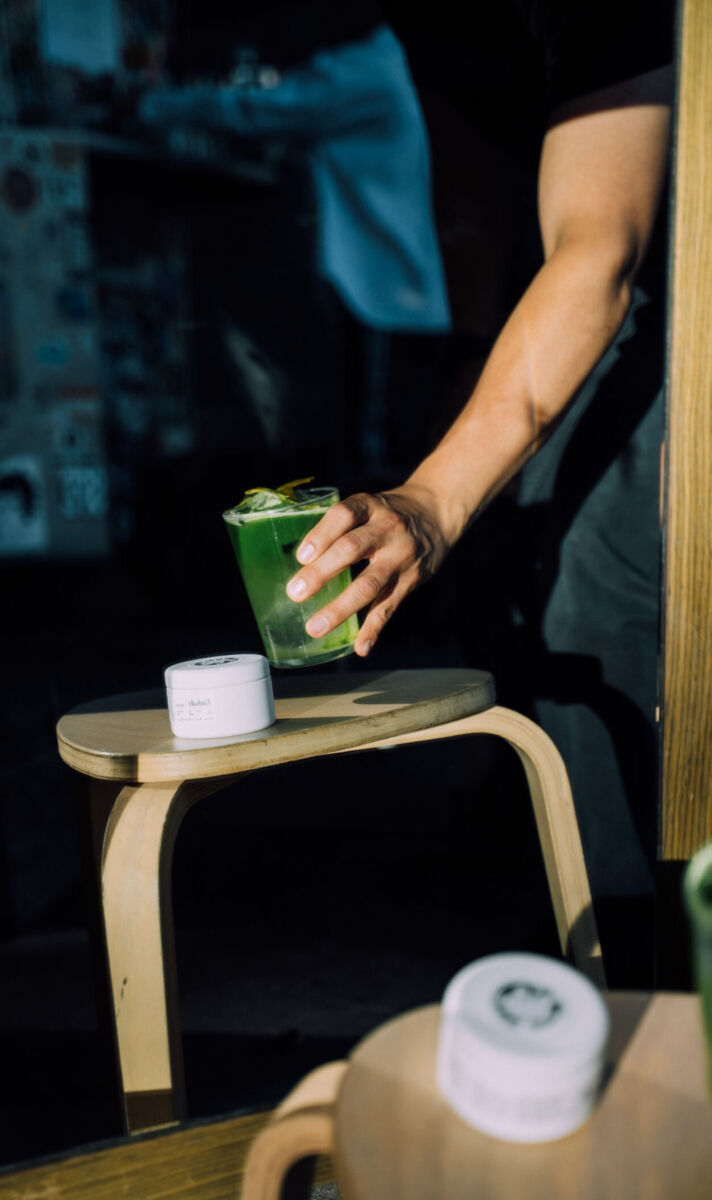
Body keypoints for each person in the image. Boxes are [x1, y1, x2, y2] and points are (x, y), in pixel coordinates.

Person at [287, 1, 674, 973]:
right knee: (511, 522)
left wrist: (430, 501)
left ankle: (639, 961)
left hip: (675, 283)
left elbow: (598, 252)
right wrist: (473, 402)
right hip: (578, 279)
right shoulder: (427, 27)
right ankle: (539, 854)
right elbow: (480, 203)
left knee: (597, 562)